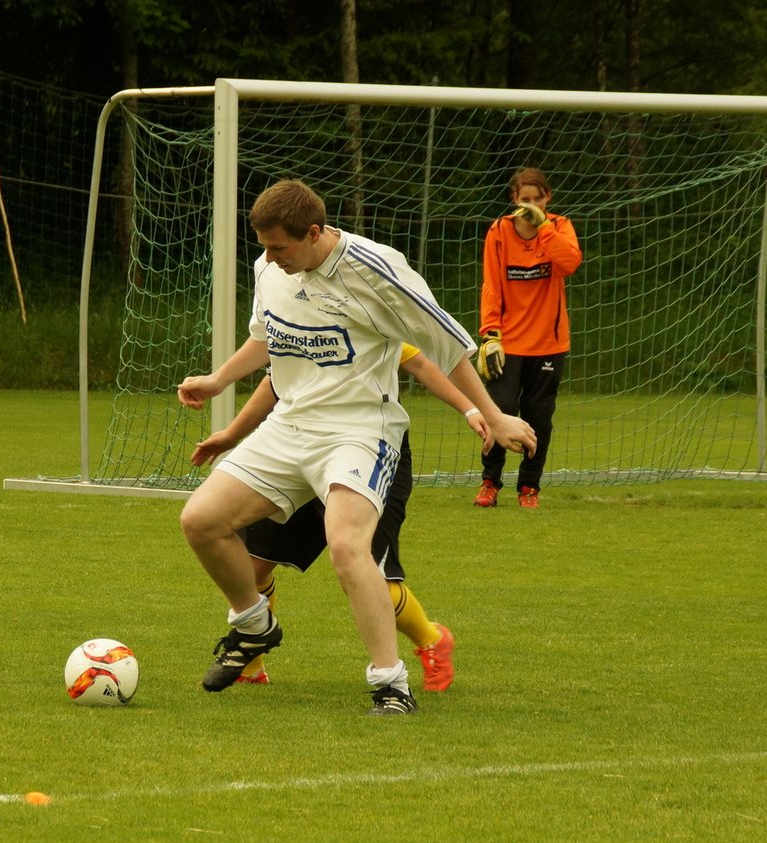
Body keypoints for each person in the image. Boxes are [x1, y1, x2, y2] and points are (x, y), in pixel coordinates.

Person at [177, 179, 536, 717]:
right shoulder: (270, 269)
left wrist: (492, 412)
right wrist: (217, 380)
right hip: (290, 424)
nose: (269, 258)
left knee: (347, 548)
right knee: (201, 520)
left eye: (279, 247)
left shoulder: (377, 269)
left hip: (360, 430)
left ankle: (391, 684)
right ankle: (253, 625)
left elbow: (447, 346)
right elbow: (266, 339)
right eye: (264, 247)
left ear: (314, 232)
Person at [191, 345, 487, 693]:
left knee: (363, 572)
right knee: (251, 565)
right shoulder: (296, 324)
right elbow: (275, 381)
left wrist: (472, 410)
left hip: (368, 448)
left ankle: (431, 639)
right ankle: (252, 666)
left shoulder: (367, 319)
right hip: (297, 445)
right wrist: (231, 434)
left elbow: (421, 362)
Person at [473, 167, 583, 509]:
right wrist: (490, 334)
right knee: (500, 410)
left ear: (548, 197)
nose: (532, 205)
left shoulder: (560, 227)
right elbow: (492, 284)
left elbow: (569, 263)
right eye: (525, 199)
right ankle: (490, 482)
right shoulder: (500, 231)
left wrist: (544, 227)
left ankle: (529, 487)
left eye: (538, 199)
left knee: (539, 416)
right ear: (514, 199)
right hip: (508, 343)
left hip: (549, 344)